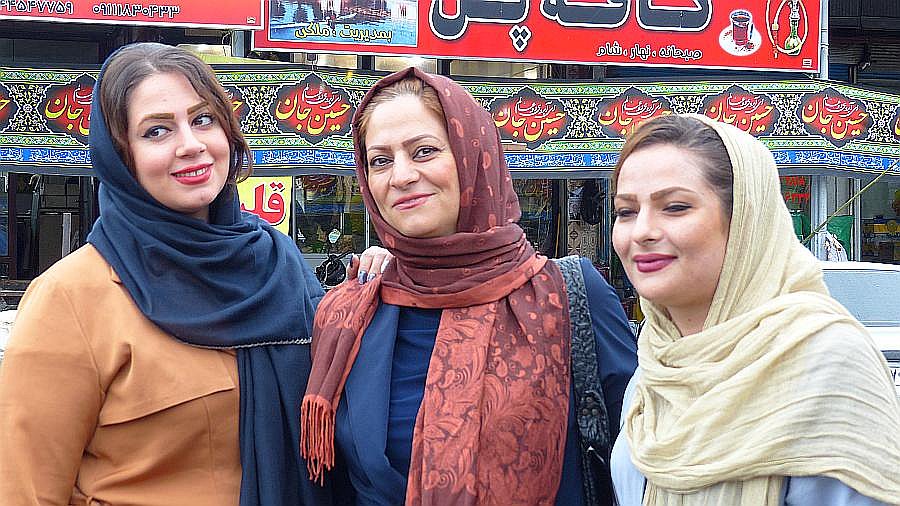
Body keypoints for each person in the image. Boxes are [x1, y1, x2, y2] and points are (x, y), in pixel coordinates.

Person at [0, 42, 388, 505]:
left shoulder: (277, 264)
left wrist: (387, 284)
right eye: (157, 131)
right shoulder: (71, 298)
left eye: (203, 119)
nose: (190, 144)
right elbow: (24, 489)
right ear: (120, 157)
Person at [299, 67, 638, 505]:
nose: (401, 176)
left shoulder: (568, 296)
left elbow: (643, 454)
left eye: (423, 151)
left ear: (472, 156)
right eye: (380, 160)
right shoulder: (350, 313)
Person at [609, 113, 900, 505]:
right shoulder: (656, 362)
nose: (642, 231)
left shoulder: (825, 362)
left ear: (745, 219)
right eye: (626, 211)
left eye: (675, 207)